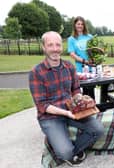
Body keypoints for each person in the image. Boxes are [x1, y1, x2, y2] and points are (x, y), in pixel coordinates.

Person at [29, 31, 104, 166]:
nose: (55, 49)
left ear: (62, 47)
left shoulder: (69, 66)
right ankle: (68, 150)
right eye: (50, 45)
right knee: (65, 153)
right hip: (50, 117)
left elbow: (75, 90)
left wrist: (80, 99)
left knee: (98, 130)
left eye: (58, 45)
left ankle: (72, 149)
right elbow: (42, 105)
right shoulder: (36, 72)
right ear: (44, 47)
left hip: (72, 110)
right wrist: (66, 113)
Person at [67, 16, 95, 99]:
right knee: (84, 92)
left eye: (82, 24)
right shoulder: (71, 39)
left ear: (84, 26)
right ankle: (87, 109)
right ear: (75, 25)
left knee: (91, 90)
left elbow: (94, 51)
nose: (80, 26)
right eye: (78, 24)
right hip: (81, 68)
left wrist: (94, 59)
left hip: (91, 67)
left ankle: (93, 108)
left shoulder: (89, 37)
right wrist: (84, 61)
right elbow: (72, 54)